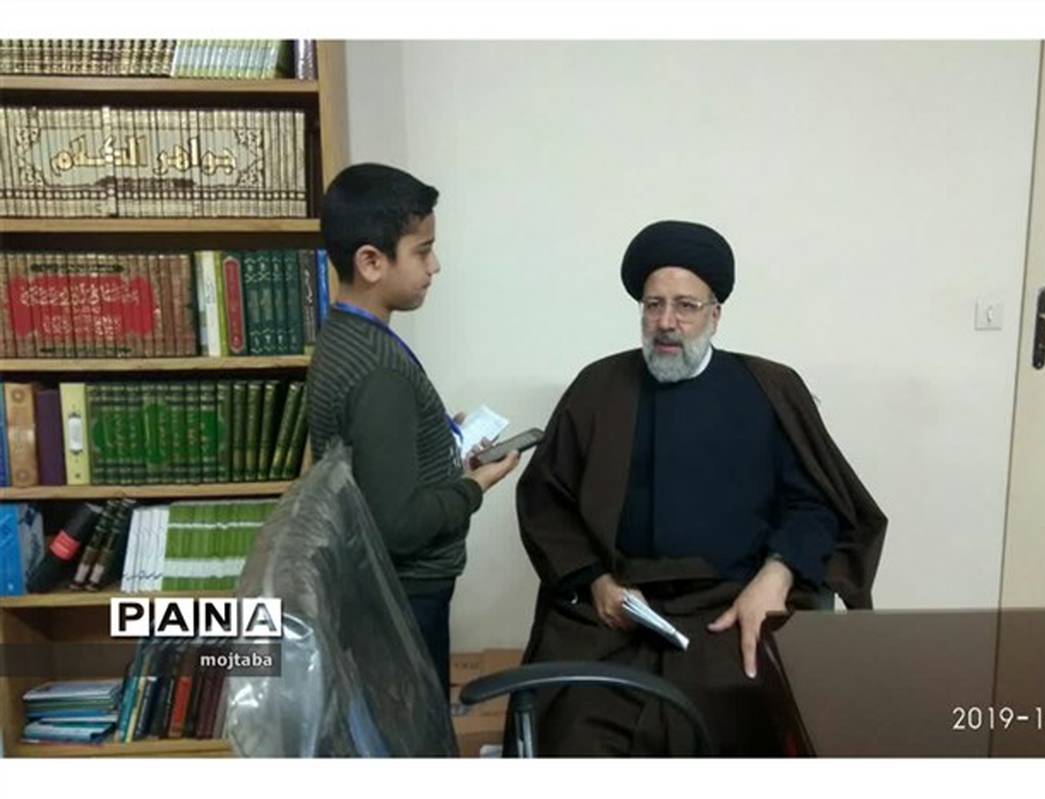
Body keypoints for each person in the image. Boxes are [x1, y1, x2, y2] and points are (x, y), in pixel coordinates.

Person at [514, 220, 887, 755]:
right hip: (617, 611)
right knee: (575, 723)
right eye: (653, 305)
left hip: (732, 605)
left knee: (748, 719)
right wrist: (595, 581)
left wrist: (776, 577)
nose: (666, 323)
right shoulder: (598, 386)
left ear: (715, 314)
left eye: (685, 306)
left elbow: (815, 503)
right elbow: (548, 502)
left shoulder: (770, 389)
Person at [308, 163, 520, 695]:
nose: (435, 266)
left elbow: (376, 454)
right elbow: (398, 526)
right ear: (371, 262)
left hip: (378, 588)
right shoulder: (378, 369)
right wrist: (474, 486)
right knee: (417, 726)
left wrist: (440, 437)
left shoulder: (345, 336)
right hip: (406, 594)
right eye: (422, 252)